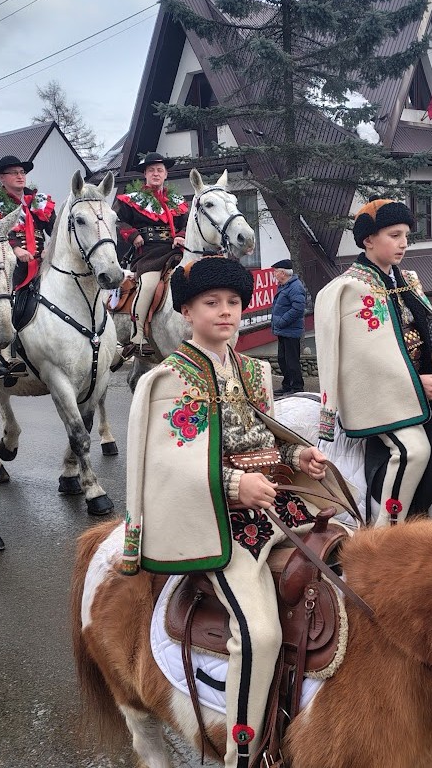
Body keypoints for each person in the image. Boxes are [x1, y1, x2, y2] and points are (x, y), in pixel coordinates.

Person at [118, 256, 329, 768]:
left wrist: (295, 455)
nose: (226, 312)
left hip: (277, 505)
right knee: (260, 633)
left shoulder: (254, 371)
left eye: (233, 303)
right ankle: (241, 750)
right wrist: (235, 484)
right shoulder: (174, 379)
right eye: (212, 303)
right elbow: (171, 460)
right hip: (221, 522)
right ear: (186, 311)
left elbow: (261, 439)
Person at [314, 198, 432, 526]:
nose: (403, 243)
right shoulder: (352, 289)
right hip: (379, 397)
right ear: (368, 240)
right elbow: (367, 361)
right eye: (394, 235)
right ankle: (388, 531)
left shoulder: (406, 281)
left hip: (419, 387)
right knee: (413, 450)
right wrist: (416, 386)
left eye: (405, 236)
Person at [0, 155, 56, 381]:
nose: (20, 176)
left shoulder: (38, 201)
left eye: (22, 172)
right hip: (7, 265)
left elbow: (55, 229)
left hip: (41, 262)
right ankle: (0, 356)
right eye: (14, 173)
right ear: (1, 178)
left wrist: (52, 247)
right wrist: (14, 249)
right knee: (2, 299)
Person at [115, 152, 189, 359]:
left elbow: (186, 224)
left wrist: (182, 236)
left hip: (175, 252)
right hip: (148, 254)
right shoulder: (132, 200)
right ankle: (137, 335)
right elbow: (118, 222)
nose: (156, 174)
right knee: (148, 285)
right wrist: (133, 235)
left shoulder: (177, 201)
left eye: (160, 170)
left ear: (166, 174)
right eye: (151, 170)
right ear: (145, 175)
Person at [270, 258, 307, 396]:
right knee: (283, 360)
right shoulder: (284, 285)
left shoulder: (295, 287)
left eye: (276, 271)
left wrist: (281, 321)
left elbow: (298, 309)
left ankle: (297, 388)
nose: (274, 274)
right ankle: (287, 386)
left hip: (290, 331)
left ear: (283, 273)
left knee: (292, 361)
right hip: (283, 330)